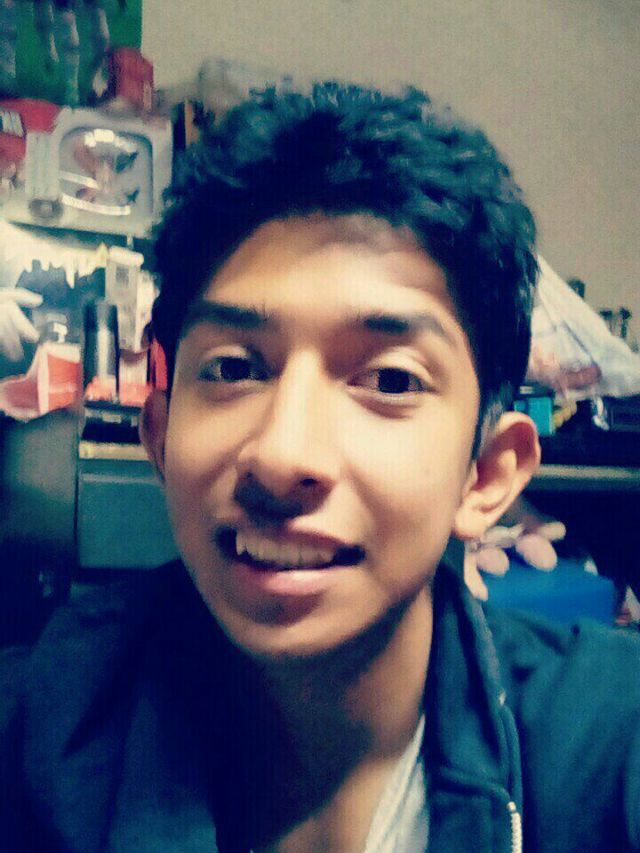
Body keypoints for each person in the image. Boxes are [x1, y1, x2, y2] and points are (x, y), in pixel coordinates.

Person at [2, 82, 639, 853]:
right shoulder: (36, 736)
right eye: (234, 368)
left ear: (487, 475)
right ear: (160, 437)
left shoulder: (603, 744)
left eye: (391, 379)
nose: (282, 455)